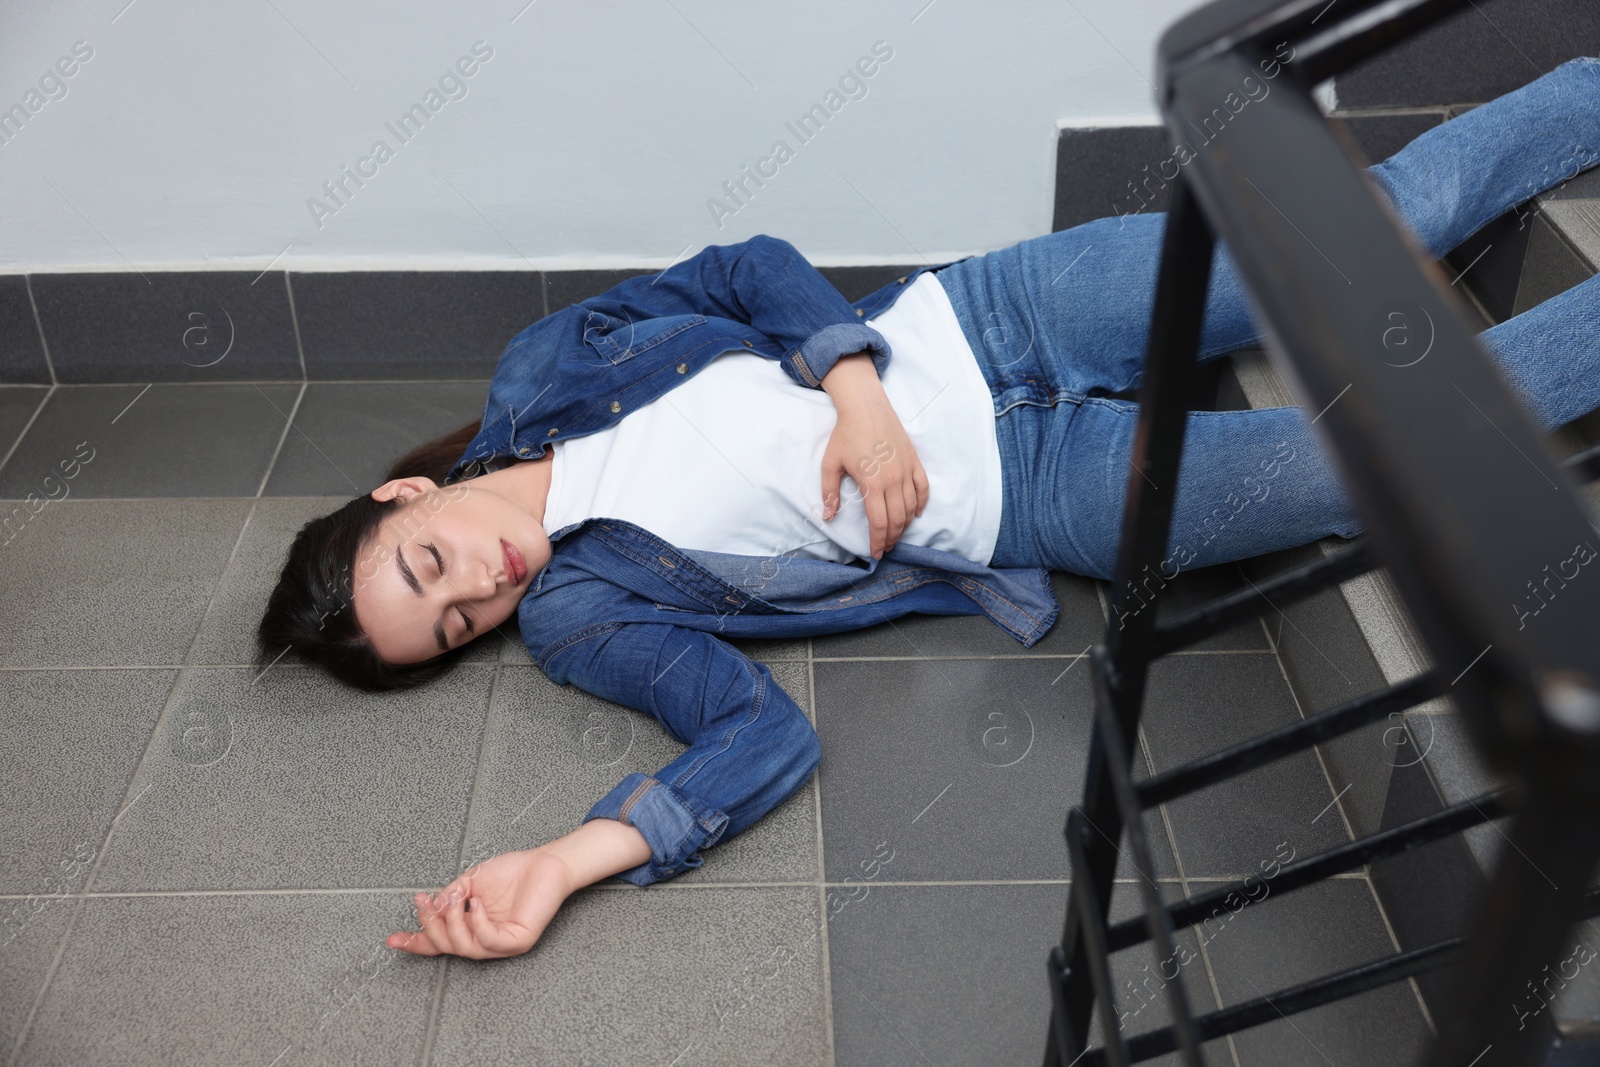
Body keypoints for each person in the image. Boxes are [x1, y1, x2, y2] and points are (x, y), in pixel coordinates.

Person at [255, 57, 1600, 961]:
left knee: (1385, 216)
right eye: (453, 625)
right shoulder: (580, 618)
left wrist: (856, 390)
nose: (476, 586)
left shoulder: (546, 372)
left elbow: (743, 268)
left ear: (408, 493)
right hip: (1037, 493)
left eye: (426, 561)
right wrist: (564, 862)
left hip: (985, 319)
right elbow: (752, 735)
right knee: (1375, 461)